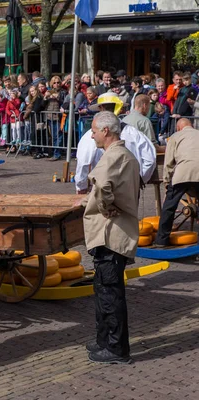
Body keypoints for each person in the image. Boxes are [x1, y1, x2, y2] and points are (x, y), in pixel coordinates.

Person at [81, 111, 139, 365]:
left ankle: (116, 348)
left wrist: (105, 206)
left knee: (110, 293)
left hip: (111, 234)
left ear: (106, 131)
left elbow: (102, 184)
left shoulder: (115, 155)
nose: (92, 134)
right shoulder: (123, 155)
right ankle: (105, 340)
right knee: (104, 289)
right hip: (114, 232)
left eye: (94, 130)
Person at [75, 93, 156, 194]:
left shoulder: (90, 135)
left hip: (102, 188)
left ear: (100, 108)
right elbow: (150, 159)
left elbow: (83, 162)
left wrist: (81, 186)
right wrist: (138, 180)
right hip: (128, 188)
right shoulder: (133, 133)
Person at [155, 119, 199, 246]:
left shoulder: (175, 137)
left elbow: (168, 163)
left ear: (179, 128)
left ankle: (161, 240)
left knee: (169, 207)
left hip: (183, 173)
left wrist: (167, 182)